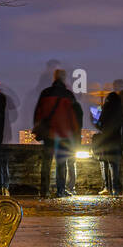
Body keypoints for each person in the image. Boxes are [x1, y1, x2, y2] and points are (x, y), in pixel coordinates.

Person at [32, 70, 83, 198]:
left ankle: (44, 190)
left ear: (54, 78)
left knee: (46, 162)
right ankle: (60, 190)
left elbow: (38, 114)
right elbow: (74, 117)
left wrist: (39, 129)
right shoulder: (68, 95)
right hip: (64, 135)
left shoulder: (45, 93)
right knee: (62, 163)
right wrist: (75, 134)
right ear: (64, 79)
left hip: (49, 134)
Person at [95, 81, 123, 196]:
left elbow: (102, 119)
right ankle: (116, 189)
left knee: (106, 162)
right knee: (115, 163)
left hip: (108, 136)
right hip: (119, 136)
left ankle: (109, 188)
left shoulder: (111, 99)